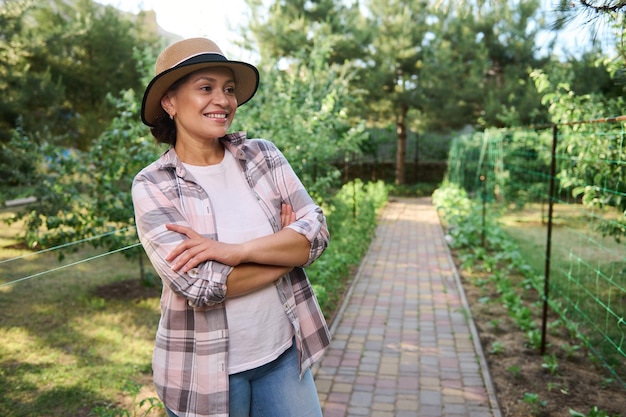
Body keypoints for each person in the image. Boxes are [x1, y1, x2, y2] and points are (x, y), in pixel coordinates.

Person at [131, 38, 331, 417]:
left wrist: (235, 253)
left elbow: (316, 233)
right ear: (169, 103)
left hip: (283, 354)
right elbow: (200, 285)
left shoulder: (264, 156)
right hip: (204, 374)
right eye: (205, 88)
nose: (222, 100)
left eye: (228, 89)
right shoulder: (153, 184)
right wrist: (288, 250)